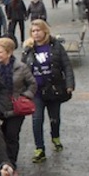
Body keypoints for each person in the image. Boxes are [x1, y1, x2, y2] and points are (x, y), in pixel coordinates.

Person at [22, 19, 74, 163]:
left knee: (54, 118)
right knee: (37, 120)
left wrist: (69, 84)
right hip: (36, 92)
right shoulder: (28, 49)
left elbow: (66, 65)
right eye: (33, 31)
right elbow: (22, 69)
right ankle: (39, 148)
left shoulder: (55, 46)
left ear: (45, 31)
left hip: (53, 89)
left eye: (38, 30)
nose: (36, 33)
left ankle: (55, 136)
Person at [0, 37, 36, 164]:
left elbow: (32, 84)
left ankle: (12, 163)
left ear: (9, 52)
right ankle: (2, 163)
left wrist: (24, 97)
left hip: (15, 109)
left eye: (0, 52)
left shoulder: (21, 67)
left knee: (12, 137)